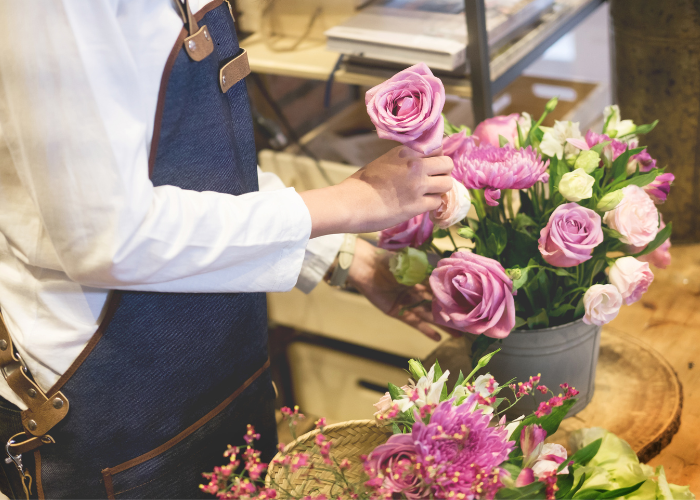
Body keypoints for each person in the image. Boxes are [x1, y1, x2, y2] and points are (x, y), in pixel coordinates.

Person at [0, 0, 453, 498]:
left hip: (220, 352)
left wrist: (343, 256)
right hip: (104, 388)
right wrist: (351, 202)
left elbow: (190, 172)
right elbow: (109, 236)